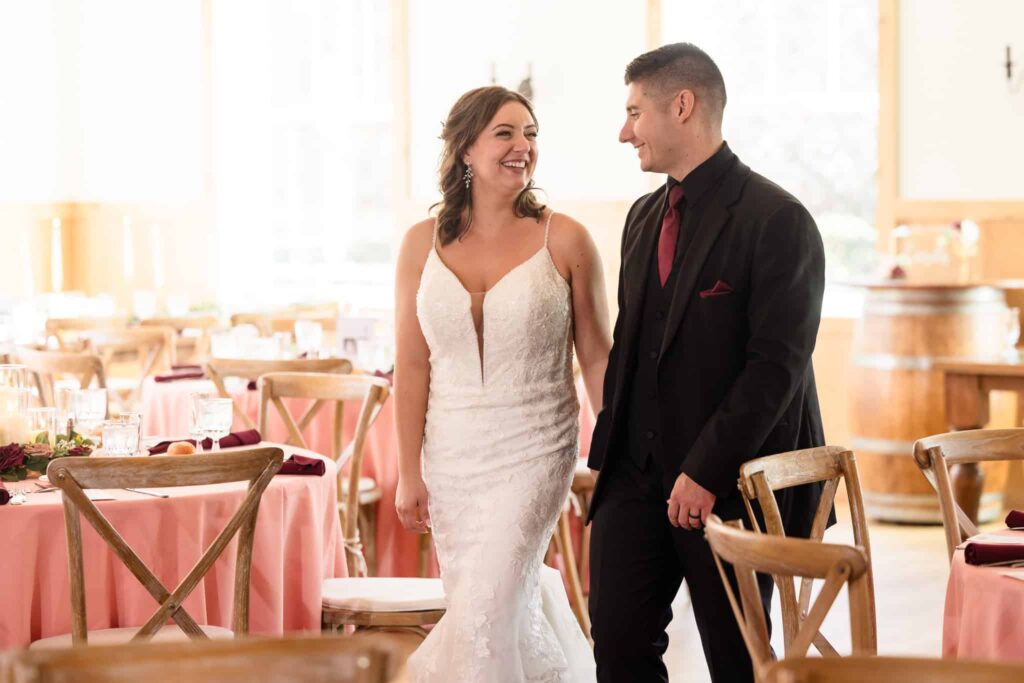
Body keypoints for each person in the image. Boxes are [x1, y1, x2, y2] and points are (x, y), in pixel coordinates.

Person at [587, 43, 829, 682]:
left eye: (635, 112)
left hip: (731, 488)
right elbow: (634, 354)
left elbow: (776, 368)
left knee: (737, 663)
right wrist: (606, 468)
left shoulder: (779, 220)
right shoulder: (641, 219)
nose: (624, 131)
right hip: (633, 482)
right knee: (617, 650)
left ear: (683, 106)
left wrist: (704, 470)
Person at [393, 85, 609, 682]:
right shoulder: (420, 244)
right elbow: (411, 366)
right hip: (453, 457)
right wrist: (409, 469)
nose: (523, 147)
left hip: (536, 450)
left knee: (485, 608)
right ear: (465, 149)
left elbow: (596, 355)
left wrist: (617, 445)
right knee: (490, 607)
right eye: (506, 133)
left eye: (532, 134)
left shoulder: (564, 239)